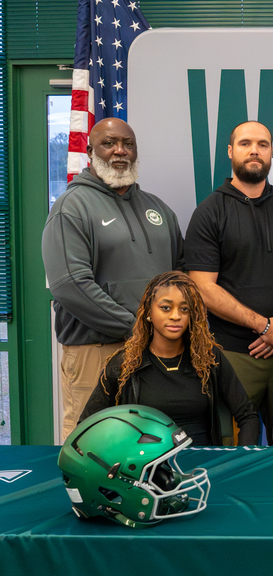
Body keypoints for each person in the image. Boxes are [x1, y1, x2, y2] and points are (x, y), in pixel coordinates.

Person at [42, 117, 184, 440]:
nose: (120, 151)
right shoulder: (71, 208)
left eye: (128, 144)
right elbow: (70, 285)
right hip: (97, 350)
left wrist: (162, 330)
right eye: (109, 143)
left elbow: (180, 278)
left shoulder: (159, 210)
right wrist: (138, 326)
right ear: (90, 150)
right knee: (92, 444)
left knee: (148, 439)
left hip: (156, 348)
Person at [184, 120, 273, 444]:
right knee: (232, 449)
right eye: (246, 143)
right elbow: (202, 288)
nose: (255, 151)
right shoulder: (209, 212)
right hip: (233, 355)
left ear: (271, 152)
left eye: (263, 144)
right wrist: (263, 326)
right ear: (231, 152)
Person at [80, 271, 259, 446]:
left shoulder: (209, 358)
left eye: (184, 309)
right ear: (149, 311)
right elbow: (86, 426)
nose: (175, 316)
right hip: (147, 469)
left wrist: (238, 460)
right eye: (165, 308)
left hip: (201, 466)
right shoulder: (124, 364)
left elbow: (247, 416)